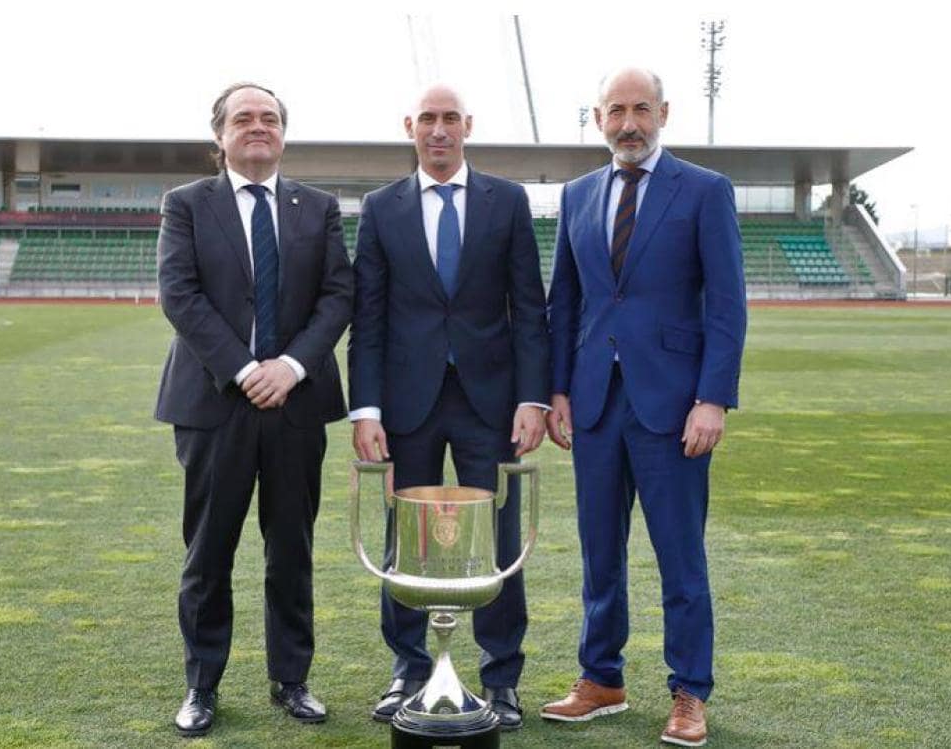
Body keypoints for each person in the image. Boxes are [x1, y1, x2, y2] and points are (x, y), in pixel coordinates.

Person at [540, 67, 747, 747]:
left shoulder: (705, 191)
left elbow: (726, 304)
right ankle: (600, 677)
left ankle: (690, 691)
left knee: (679, 556)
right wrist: (559, 389)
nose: (629, 122)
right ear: (596, 118)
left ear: (664, 113)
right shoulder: (577, 196)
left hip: (674, 405)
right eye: (616, 110)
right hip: (596, 401)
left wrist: (713, 398)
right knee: (601, 553)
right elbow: (564, 301)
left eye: (641, 109)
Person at [348, 84, 550, 731]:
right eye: (427, 119)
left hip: (492, 403)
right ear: (410, 126)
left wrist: (532, 398)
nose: (439, 130)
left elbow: (530, 307)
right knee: (403, 542)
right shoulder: (380, 210)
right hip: (407, 402)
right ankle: (408, 668)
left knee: (497, 538)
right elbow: (369, 315)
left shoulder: (508, 201)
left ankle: (502, 677)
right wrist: (366, 411)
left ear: (468, 125)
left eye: (450, 119)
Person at [154, 82, 353, 736]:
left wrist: (290, 367)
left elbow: (336, 296)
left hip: (296, 404)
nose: (258, 126)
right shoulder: (185, 205)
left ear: (284, 133)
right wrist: (244, 370)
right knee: (209, 552)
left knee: (290, 550)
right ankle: (201, 685)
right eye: (244, 118)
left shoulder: (317, 208)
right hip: (215, 404)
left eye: (269, 118)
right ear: (220, 136)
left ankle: (291, 680)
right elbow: (180, 295)